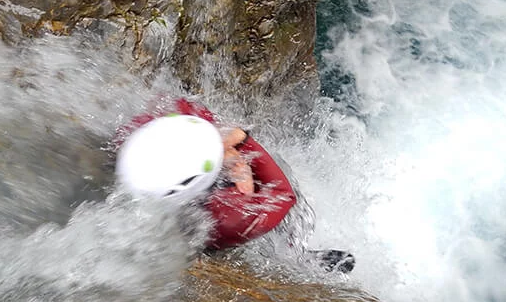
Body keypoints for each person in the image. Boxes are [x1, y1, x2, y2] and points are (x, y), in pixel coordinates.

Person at [115, 97, 355, 272]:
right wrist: (242, 139)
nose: (238, 162)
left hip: (174, 214)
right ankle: (298, 258)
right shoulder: (227, 213)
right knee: (274, 222)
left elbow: (192, 110)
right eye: (227, 167)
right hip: (213, 230)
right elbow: (284, 195)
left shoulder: (151, 132)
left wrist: (223, 145)